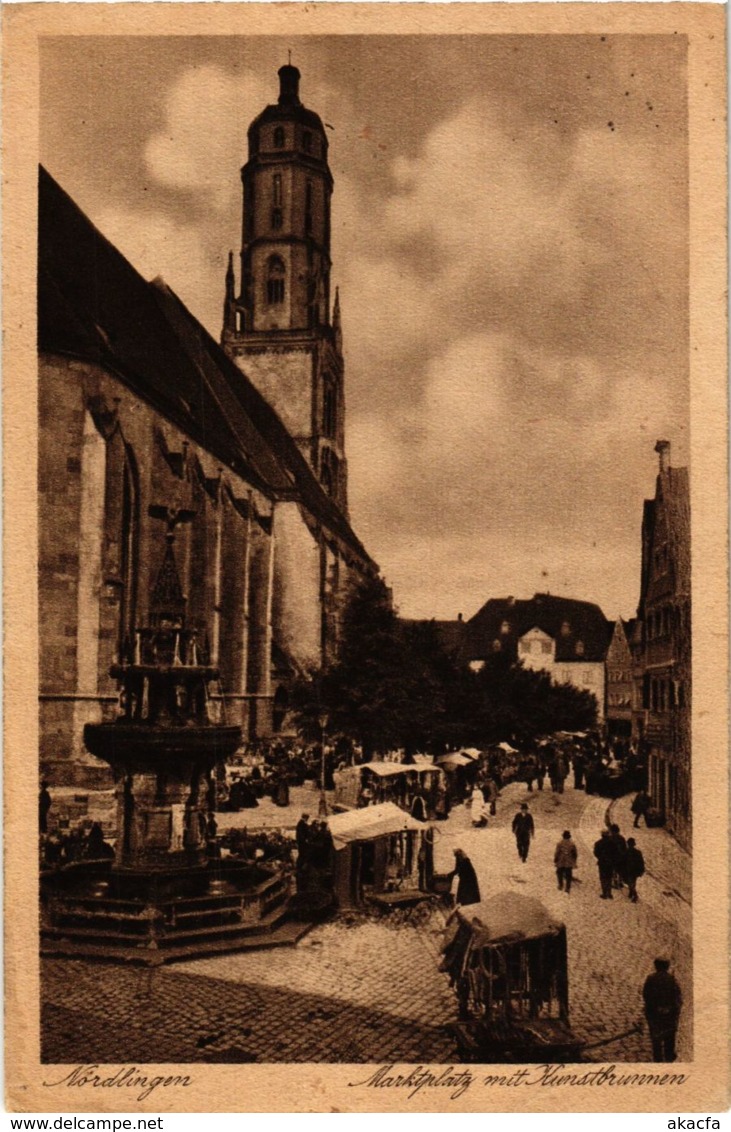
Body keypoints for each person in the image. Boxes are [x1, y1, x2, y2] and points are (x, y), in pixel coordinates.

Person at [643, 958, 682, 1061]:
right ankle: (669, 1057)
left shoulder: (651, 979)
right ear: (667, 967)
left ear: (656, 966)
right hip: (669, 1014)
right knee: (669, 1037)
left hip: (654, 1014)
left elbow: (646, 995)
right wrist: (673, 1010)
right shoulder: (672, 980)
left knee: (656, 1039)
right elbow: (678, 997)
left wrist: (654, 1009)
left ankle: (658, 1059)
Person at [593, 829, 615, 898]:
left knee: (603, 877)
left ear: (602, 835)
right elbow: (615, 852)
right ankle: (609, 893)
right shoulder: (612, 843)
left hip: (602, 862)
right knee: (609, 877)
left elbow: (596, 853)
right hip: (610, 862)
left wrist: (600, 857)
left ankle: (604, 893)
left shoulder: (598, 843)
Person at [624, 837, 645, 902]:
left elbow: (623, 861)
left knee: (630, 882)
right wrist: (641, 870)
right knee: (633, 882)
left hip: (629, 870)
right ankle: (631, 892)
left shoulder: (626, 852)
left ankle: (635, 895)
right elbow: (641, 862)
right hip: (635, 870)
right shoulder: (638, 852)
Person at [609, 823, 627, 889]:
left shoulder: (610, 838)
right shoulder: (622, 838)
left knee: (614, 870)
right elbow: (625, 848)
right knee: (619, 870)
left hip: (614, 857)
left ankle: (616, 882)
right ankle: (619, 882)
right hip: (620, 857)